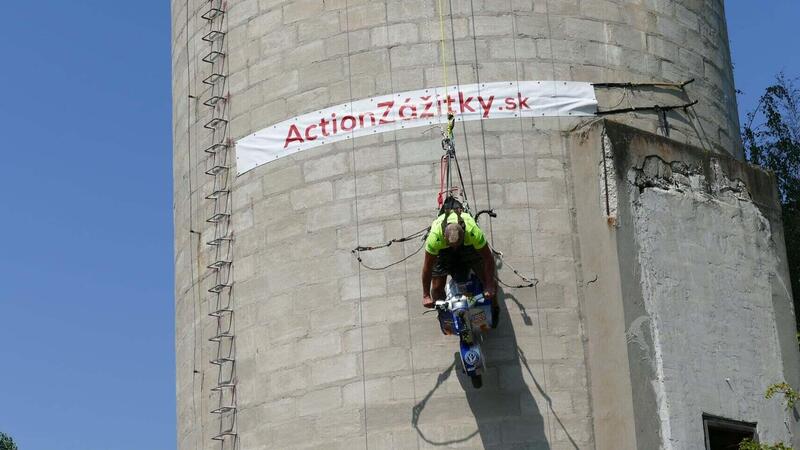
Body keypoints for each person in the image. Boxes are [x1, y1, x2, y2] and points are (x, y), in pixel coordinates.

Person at [421, 207, 497, 314]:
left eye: (456, 246)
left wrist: (489, 285)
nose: (455, 249)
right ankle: (445, 316)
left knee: (488, 280)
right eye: (453, 246)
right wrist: (426, 295)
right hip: (443, 251)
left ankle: (494, 309)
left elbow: (488, 258)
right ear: (443, 235)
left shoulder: (473, 232)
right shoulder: (434, 238)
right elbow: (427, 267)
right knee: (437, 287)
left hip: (467, 246)